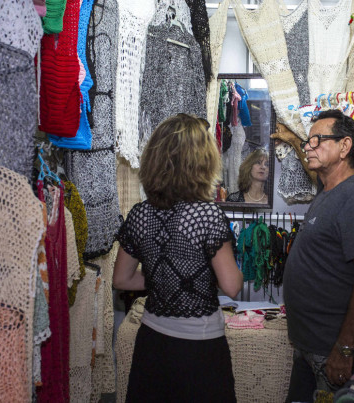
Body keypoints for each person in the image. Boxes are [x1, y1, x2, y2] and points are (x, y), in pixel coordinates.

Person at [113, 113, 243, 403]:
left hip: (152, 343)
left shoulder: (140, 214)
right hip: (199, 347)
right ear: (202, 161)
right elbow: (232, 286)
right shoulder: (207, 215)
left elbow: (121, 279)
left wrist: (163, 279)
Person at [283, 109, 354, 402]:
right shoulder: (328, 190)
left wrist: (344, 349)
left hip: (337, 353)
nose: (309, 146)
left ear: (345, 146)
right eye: (308, 141)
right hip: (312, 348)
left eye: (318, 140)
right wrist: (293, 139)